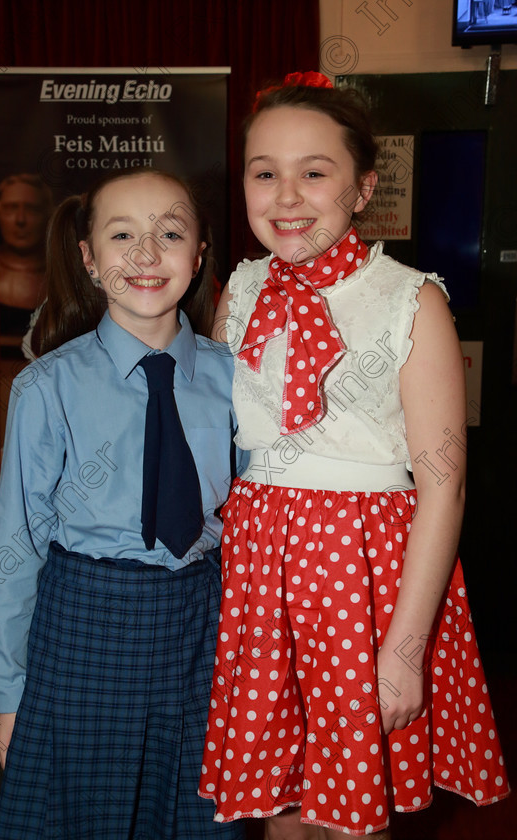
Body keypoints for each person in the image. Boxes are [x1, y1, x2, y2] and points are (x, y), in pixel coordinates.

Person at [198, 72, 510, 839]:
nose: (286, 195)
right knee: (280, 807)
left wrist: (404, 650)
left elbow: (445, 490)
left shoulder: (412, 299)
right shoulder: (236, 293)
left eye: (315, 172)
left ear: (364, 187)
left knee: (350, 816)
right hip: (260, 574)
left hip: (363, 577)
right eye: (264, 173)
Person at [0, 167, 245, 840]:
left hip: (202, 631)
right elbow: (16, 550)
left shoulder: (237, 379)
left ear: (200, 253)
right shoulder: (47, 387)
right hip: (85, 630)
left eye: (171, 233)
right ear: (89, 259)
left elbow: (254, 521)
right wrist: (8, 698)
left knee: (197, 816)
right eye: (123, 234)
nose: (147, 254)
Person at [0, 173, 53, 341]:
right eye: (11, 208)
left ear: (47, 214)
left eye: (32, 209)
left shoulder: (63, 274)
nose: (20, 220)